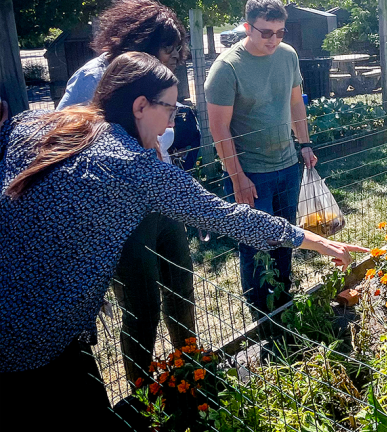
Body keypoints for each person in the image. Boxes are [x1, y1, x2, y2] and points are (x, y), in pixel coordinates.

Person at [0, 52, 366, 429]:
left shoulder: (37, 124)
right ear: (140, 106)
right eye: (170, 110)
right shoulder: (133, 167)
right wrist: (317, 242)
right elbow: (226, 217)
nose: (171, 124)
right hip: (32, 340)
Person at [54, 0, 195, 388]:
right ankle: (143, 396)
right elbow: (65, 139)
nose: (168, 63)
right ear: (139, 42)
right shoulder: (91, 78)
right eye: (164, 54)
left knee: (182, 285)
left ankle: (192, 373)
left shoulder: (154, 77)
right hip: (120, 213)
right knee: (141, 308)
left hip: (160, 196)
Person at [206, 0, 317, 316]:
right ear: (247, 27)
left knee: (286, 237)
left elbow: (297, 102)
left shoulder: (288, 56)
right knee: (256, 245)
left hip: (287, 166)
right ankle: (260, 313)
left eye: (279, 32)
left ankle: (282, 298)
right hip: (251, 173)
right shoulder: (227, 68)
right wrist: (237, 178)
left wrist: (304, 144)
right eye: (266, 32)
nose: (273, 39)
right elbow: (219, 129)